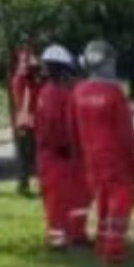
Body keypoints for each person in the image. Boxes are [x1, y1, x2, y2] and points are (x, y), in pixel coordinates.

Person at [72, 41, 134, 265]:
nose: (114, 66)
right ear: (105, 63)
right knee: (122, 199)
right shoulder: (114, 94)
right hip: (115, 159)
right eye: (112, 61)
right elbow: (126, 134)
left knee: (102, 201)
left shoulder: (78, 92)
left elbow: (72, 128)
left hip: (91, 158)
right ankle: (113, 250)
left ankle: (102, 244)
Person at [34, 45, 91, 250]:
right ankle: (58, 241)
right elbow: (53, 127)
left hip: (71, 156)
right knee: (57, 202)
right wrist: (65, 146)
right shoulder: (51, 94)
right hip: (56, 157)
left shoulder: (61, 91)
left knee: (79, 197)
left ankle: (77, 234)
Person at [8, 40, 43, 196]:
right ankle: (26, 184)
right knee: (28, 156)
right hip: (27, 124)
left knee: (34, 156)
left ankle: (31, 184)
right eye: (33, 69)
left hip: (32, 123)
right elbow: (24, 103)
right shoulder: (23, 82)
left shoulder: (32, 83)